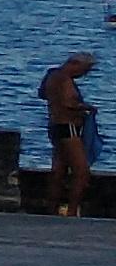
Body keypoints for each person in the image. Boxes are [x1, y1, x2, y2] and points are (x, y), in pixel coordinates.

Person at [47, 53, 99, 219]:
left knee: (59, 170)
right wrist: (86, 108)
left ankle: (52, 208)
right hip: (68, 127)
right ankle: (72, 210)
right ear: (74, 64)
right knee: (81, 171)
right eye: (84, 70)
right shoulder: (65, 80)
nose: (84, 75)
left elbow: (42, 94)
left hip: (55, 125)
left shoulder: (51, 75)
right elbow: (68, 103)